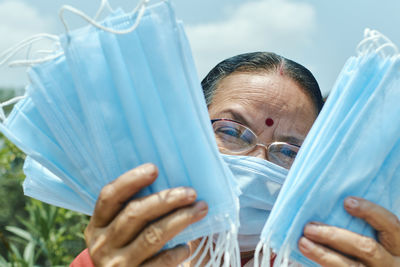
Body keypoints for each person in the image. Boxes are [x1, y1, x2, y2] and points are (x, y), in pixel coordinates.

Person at [71, 52, 400, 267]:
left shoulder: (326, 260)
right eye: (231, 131)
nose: (258, 161)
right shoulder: (120, 255)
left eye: (288, 151)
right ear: (190, 134)